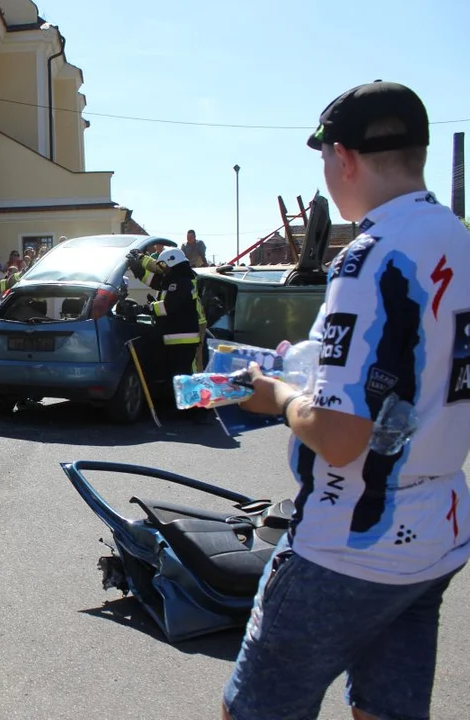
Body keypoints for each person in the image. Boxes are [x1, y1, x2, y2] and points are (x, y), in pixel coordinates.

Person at [224, 81, 470, 720]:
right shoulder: (456, 237)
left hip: (351, 537)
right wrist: (317, 370)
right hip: (438, 529)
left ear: (343, 158)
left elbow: (340, 435)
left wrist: (278, 395)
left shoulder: (370, 255)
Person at [127, 247, 206, 378]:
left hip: (184, 340)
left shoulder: (182, 281)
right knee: (178, 379)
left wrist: (145, 308)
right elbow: (155, 281)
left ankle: (194, 398)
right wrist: (139, 272)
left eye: (163, 265)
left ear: (171, 263)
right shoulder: (175, 278)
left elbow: (168, 306)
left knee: (188, 377)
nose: (162, 269)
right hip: (176, 338)